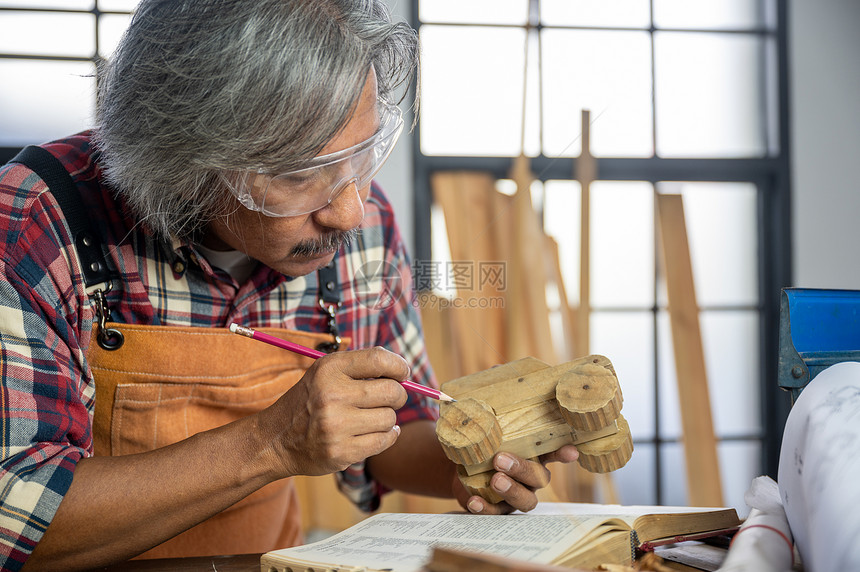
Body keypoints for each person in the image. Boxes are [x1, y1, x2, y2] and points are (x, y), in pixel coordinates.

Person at [0, 1, 579, 570]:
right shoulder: (34, 221)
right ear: (185, 156)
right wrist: (272, 443)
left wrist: (465, 462)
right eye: (302, 174)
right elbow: (14, 516)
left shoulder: (363, 221)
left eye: (359, 157)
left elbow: (400, 424)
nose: (350, 213)